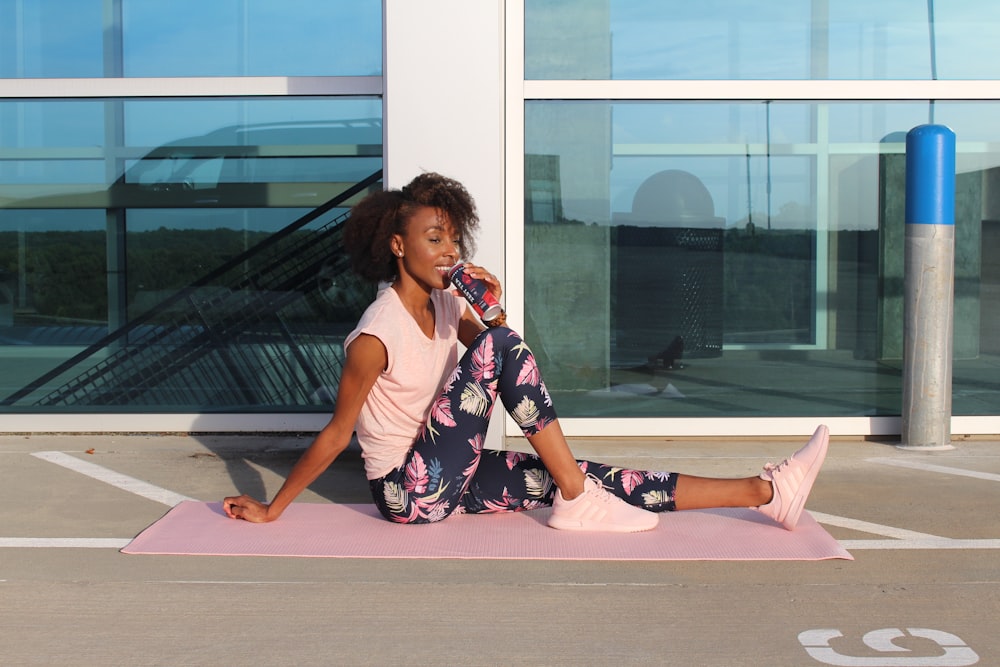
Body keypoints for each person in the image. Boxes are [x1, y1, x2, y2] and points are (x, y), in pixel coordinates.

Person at [223, 172, 829, 533]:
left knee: (593, 476)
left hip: (451, 475)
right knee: (517, 377)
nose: (448, 251)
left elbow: (503, 357)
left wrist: (484, 304)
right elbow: (336, 435)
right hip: (408, 494)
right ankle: (575, 497)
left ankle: (767, 492)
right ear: (398, 245)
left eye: (454, 239)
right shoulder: (375, 335)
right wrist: (274, 510)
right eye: (435, 239)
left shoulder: (443, 305)